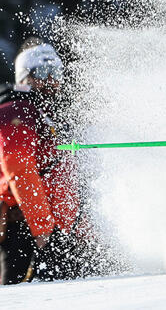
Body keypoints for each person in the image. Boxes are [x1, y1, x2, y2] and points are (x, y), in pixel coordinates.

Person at [0, 38, 98, 284]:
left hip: (58, 231)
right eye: (43, 72)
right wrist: (43, 229)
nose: (52, 79)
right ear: (25, 77)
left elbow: (64, 172)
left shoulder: (48, 111)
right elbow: (18, 167)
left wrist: (79, 224)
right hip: (25, 228)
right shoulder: (17, 107)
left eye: (57, 72)